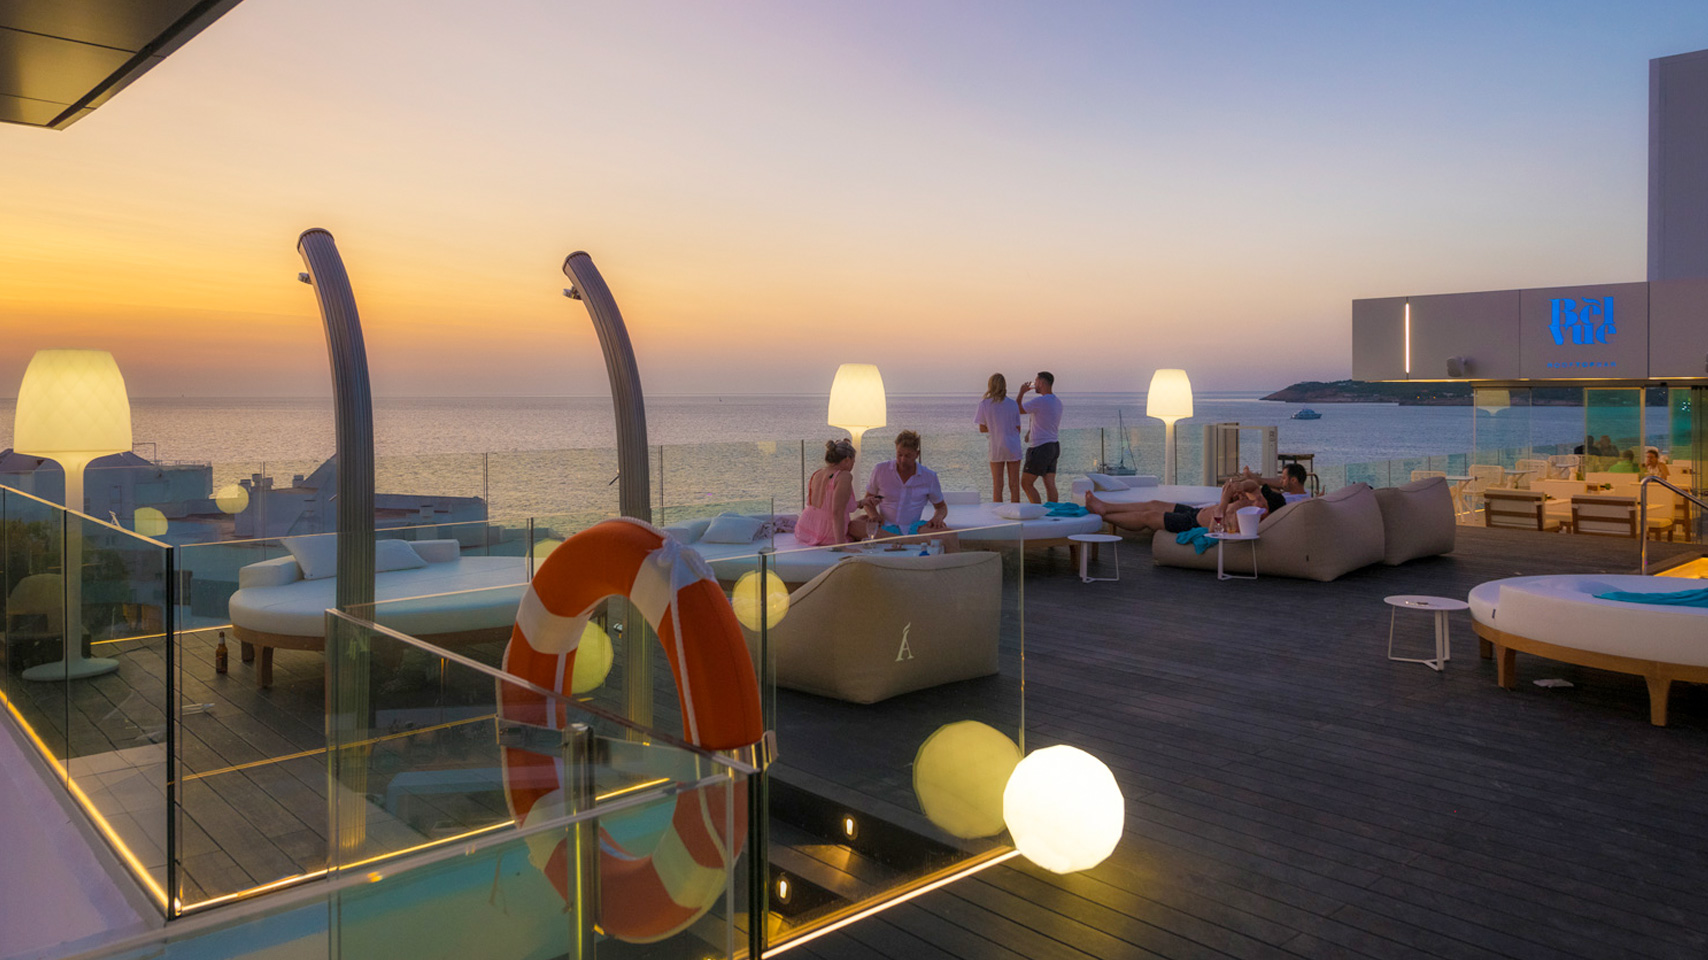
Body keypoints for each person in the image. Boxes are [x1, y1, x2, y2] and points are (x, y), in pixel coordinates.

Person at [1087, 477, 1284, 536]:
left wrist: (1225, 502)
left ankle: (1102, 516)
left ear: (1266, 512)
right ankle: (1105, 506)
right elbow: (1253, 485)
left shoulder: (1248, 521)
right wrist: (1239, 487)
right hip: (1195, 512)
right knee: (1153, 504)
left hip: (1191, 524)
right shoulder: (1255, 501)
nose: (1257, 499)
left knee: (1149, 517)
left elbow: (1215, 530)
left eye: (1262, 502)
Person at [864, 430, 951, 537]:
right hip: (884, 526)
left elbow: (941, 507)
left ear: (917, 454)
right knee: (854, 525)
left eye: (908, 456)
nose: (903, 460)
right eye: (899, 455)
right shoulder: (880, 470)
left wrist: (937, 518)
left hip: (914, 528)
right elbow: (867, 500)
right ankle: (902, 539)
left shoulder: (929, 477)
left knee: (949, 534)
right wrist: (874, 515)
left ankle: (897, 539)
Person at [795, 439, 873, 546]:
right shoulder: (843, 476)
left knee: (863, 518)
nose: (853, 466)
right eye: (853, 462)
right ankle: (896, 538)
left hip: (805, 529)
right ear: (847, 460)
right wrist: (841, 546)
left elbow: (828, 505)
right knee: (865, 526)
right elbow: (837, 512)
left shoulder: (818, 473)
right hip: (827, 533)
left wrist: (863, 502)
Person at [974, 373, 1024, 503]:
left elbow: (982, 428)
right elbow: (1018, 428)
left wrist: (995, 427)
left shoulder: (984, 404)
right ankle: (1015, 510)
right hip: (1013, 445)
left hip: (997, 446)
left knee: (997, 485)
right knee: (1014, 484)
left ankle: (997, 511)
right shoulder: (1012, 404)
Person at [1016, 371, 1063, 504]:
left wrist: (1021, 393)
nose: (1034, 384)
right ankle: (1053, 511)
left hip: (1040, 447)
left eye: (1036, 381)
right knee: (1050, 484)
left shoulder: (1040, 401)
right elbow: (1044, 419)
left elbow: (1017, 410)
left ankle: (1037, 511)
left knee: (1026, 483)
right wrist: (1030, 431)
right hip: (1053, 446)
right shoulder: (1057, 402)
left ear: (1041, 383)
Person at [1240, 463, 1313, 503]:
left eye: (1284, 478)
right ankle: (1258, 480)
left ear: (1293, 480)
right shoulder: (1306, 492)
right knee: (1276, 486)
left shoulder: (1290, 500)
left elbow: (1258, 500)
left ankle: (1257, 480)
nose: (1281, 480)